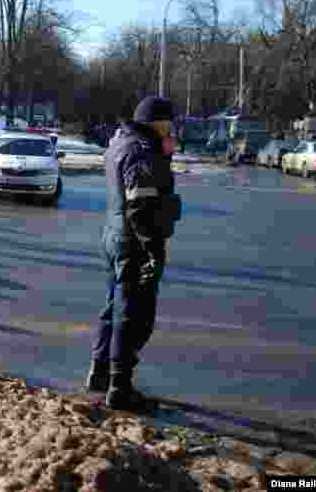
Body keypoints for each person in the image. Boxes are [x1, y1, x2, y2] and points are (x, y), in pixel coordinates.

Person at [85, 96, 182, 414]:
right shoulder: (142, 150)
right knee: (134, 317)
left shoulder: (122, 142)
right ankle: (120, 388)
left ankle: (100, 373)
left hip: (116, 236)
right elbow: (140, 203)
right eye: (169, 122)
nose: (172, 128)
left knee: (114, 308)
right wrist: (152, 248)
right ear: (157, 122)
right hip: (135, 242)